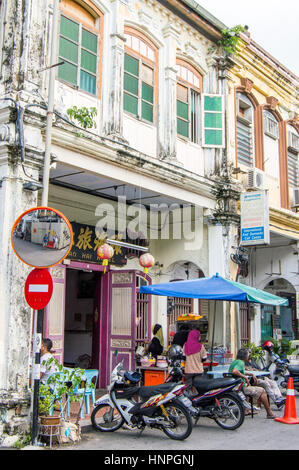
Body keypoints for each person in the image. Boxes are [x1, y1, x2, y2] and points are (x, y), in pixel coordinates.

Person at [229, 348, 276, 419]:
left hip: (235, 385)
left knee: (250, 387)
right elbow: (234, 371)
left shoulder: (235, 362)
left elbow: (240, 371)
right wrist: (244, 377)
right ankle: (269, 413)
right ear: (245, 356)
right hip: (240, 386)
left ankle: (246, 410)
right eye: (248, 355)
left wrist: (250, 374)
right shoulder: (240, 362)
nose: (249, 356)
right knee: (262, 391)